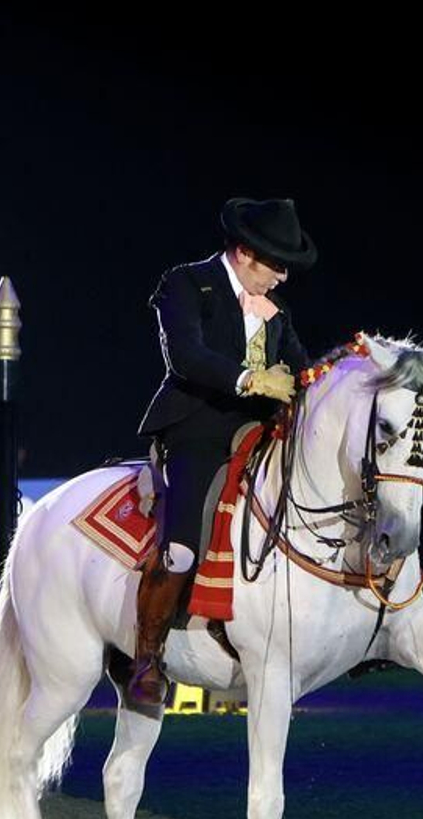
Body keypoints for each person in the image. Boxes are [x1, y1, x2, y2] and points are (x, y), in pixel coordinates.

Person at [130, 197, 318, 707]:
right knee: (183, 548)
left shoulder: (277, 311)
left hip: (259, 434)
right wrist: (251, 378)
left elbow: (300, 370)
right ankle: (147, 658)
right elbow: (187, 356)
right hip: (197, 428)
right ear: (245, 252)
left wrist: (333, 374)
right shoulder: (187, 284)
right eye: (276, 265)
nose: (281, 278)